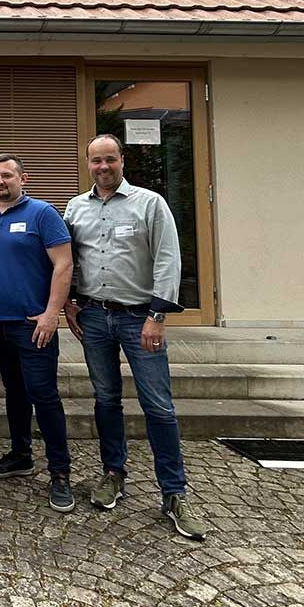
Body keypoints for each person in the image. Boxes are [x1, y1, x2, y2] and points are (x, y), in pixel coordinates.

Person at [63, 134, 207, 541]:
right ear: (88, 163)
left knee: (158, 406)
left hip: (139, 317)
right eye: (96, 160)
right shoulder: (75, 207)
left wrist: (157, 316)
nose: (103, 167)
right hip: (94, 317)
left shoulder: (150, 204)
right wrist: (69, 302)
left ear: (122, 160)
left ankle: (174, 493)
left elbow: (168, 259)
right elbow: (70, 259)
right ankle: (113, 473)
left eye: (110, 159)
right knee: (106, 399)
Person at [0, 154, 75, 512]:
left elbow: (63, 264)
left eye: (7, 176)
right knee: (14, 392)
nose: (0, 182)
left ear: (23, 179)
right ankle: (21, 455)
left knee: (43, 395)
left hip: (32, 324)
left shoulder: (43, 213)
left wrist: (51, 314)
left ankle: (60, 473)